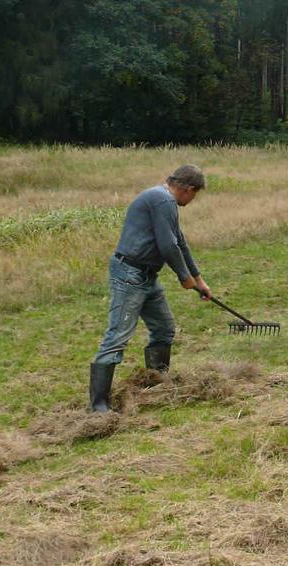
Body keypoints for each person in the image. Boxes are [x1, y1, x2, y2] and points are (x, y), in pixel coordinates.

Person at [89, 165, 213, 412]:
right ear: (188, 189)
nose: (193, 199)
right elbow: (168, 246)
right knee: (116, 338)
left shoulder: (164, 201)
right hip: (130, 275)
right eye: (195, 194)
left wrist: (197, 279)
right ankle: (99, 407)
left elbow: (180, 242)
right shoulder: (162, 200)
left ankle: (155, 384)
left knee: (164, 329)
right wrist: (182, 277)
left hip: (147, 276)